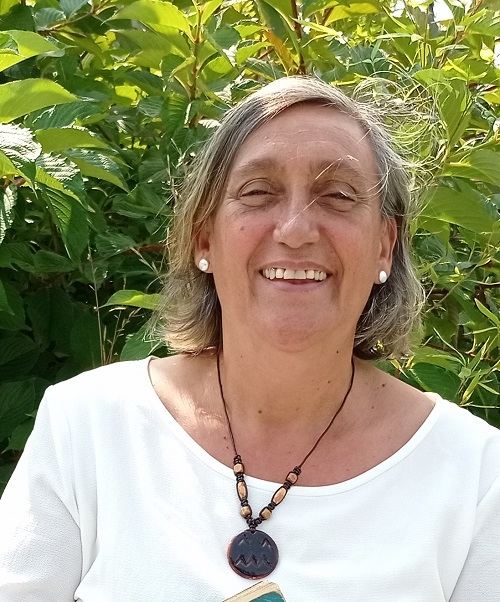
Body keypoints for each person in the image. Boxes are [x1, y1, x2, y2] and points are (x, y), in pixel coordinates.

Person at [0, 76, 499, 602]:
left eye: (338, 195)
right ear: (204, 238)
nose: (295, 230)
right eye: (258, 192)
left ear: (384, 246)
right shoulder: (90, 426)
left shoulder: (475, 476)